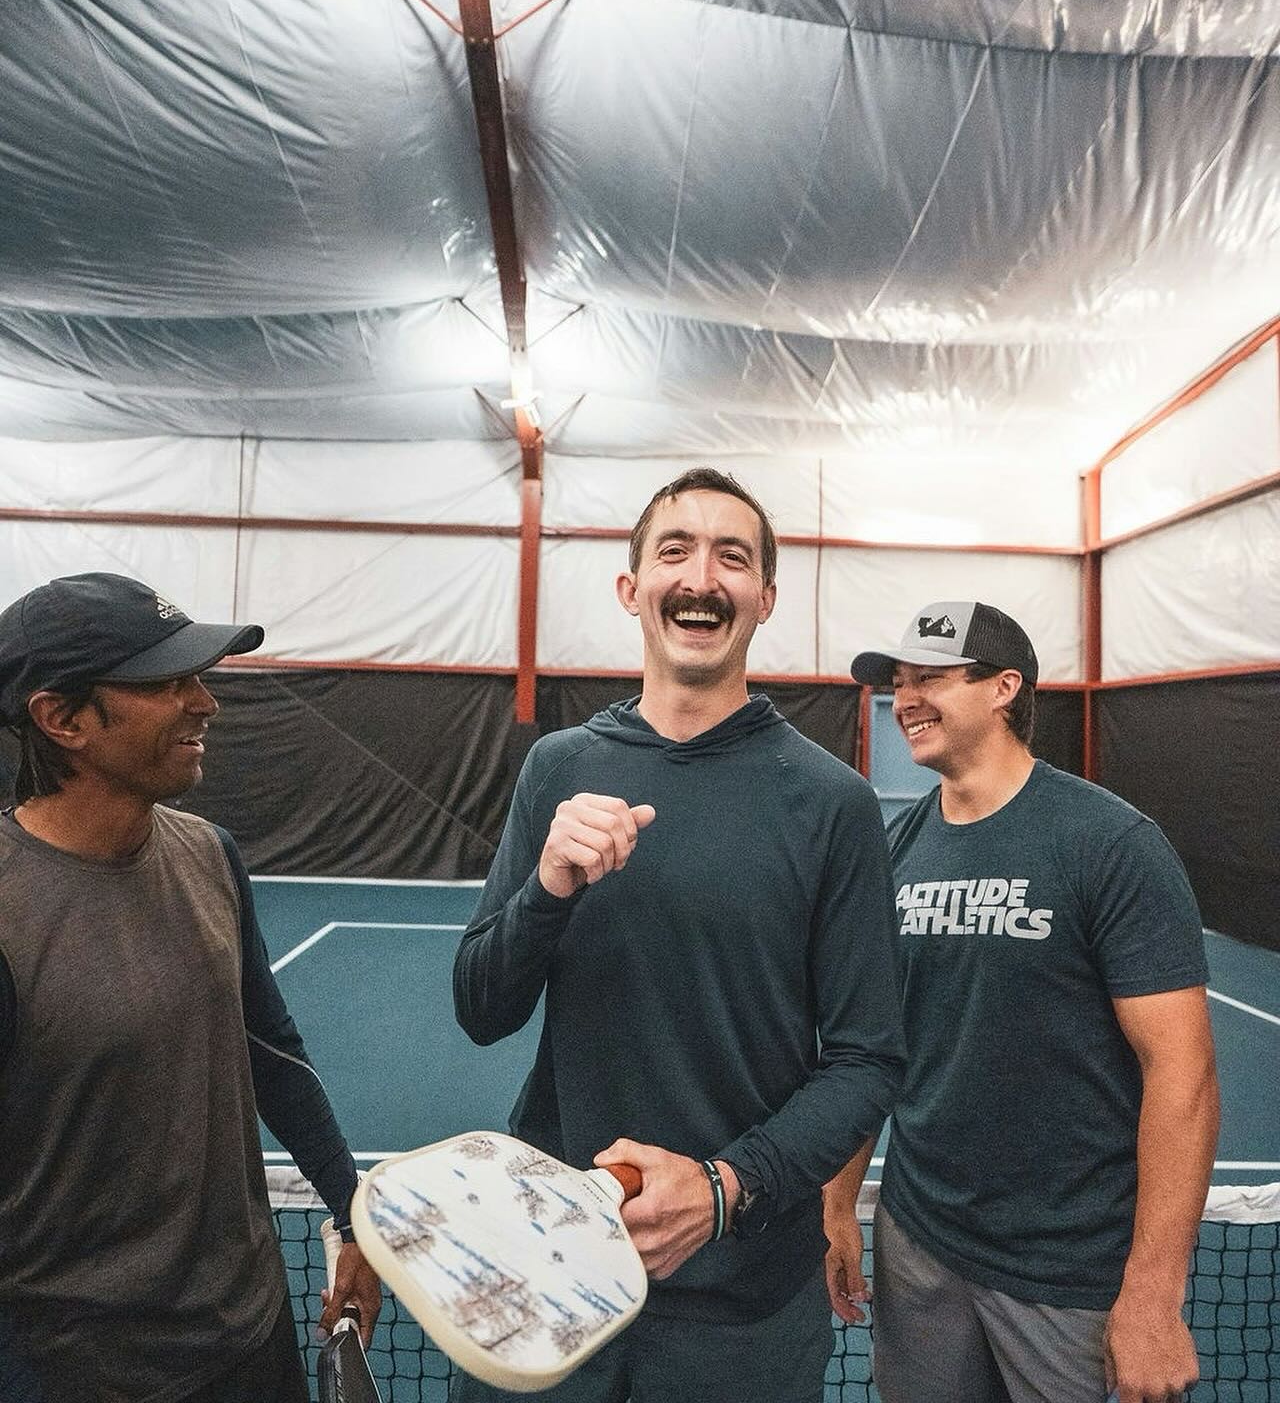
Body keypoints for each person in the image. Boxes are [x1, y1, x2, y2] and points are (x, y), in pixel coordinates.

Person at [452, 466, 905, 1403]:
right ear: (632, 590)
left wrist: (724, 1187)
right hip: (551, 1262)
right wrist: (546, 888)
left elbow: (868, 1059)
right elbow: (481, 1008)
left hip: (744, 1304)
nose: (702, 577)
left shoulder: (832, 803)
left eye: (732, 558)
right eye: (675, 551)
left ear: (764, 599)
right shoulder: (558, 769)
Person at [0, 572, 381, 1403]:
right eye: (165, 683)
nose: (204, 702)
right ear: (62, 719)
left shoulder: (210, 855)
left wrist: (359, 1214)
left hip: (250, 1338)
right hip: (75, 1371)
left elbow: (273, 1053)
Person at [825, 601, 1219, 1403]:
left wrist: (1151, 1293)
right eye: (898, 682)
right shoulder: (896, 850)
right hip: (920, 1244)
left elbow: (1183, 1072)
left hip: (1065, 1272)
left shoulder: (1110, 845)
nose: (905, 699)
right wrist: (837, 1202)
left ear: (1006, 687)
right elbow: (874, 1045)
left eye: (930, 678)